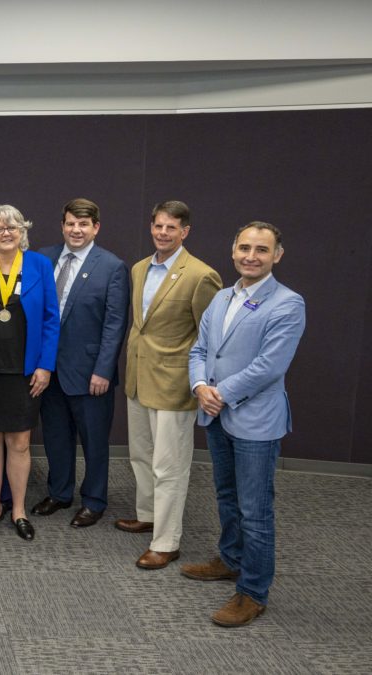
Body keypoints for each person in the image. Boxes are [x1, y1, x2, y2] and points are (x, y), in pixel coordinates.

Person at [183, 222, 305, 627]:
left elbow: (269, 366)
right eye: (245, 247)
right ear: (233, 250)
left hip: (254, 420)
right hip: (216, 412)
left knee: (255, 511)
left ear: (277, 256)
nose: (251, 256)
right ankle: (231, 560)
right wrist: (200, 385)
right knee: (226, 495)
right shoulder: (221, 297)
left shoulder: (288, 304)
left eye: (262, 249)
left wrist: (219, 393)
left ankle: (253, 592)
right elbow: (200, 349)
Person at [119, 200, 222, 570]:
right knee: (141, 457)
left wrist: (199, 384)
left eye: (171, 228)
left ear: (185, 232)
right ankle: (147, 516)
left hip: (175, 384)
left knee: (170, 467)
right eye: (158, 226)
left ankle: (166, 542)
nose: (163, 233)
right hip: (137, 379)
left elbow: (210, 339)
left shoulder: (200, 275)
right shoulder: (139, 268)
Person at [0, 205, 60, 541]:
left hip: (25, 369)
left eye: (12, 227)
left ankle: (18, 508)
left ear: (23, 232)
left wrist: (46, 365)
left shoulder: (39, 265)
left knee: (19, 442)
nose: (5, 233)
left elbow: (51, 319)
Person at [33, 199, 130, 528]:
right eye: (71, 223)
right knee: (56, 437)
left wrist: (103, 370)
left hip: (90, 373)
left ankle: (94, 500)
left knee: (94, 439)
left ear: (96, 228)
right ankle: (59, 493)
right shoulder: (42, 259)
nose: (76, 230)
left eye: (84, 224)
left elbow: (115, 325)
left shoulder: (112, 266)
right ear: (62, 225)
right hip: (48, 370)